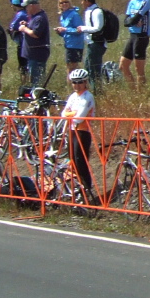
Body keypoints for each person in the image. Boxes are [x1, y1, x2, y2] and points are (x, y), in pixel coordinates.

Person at [62, 69, 96, 201]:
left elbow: (79, 118)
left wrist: (70, 114)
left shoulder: (88, 97)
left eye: (80, 82)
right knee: (71, 160)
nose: (77, 85)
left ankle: (87, 189)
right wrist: (71, 114)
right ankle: (75, 188)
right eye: (74, 82)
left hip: (83, 131)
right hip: (71, 130)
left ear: (85, 82)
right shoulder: (73, 96)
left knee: (80, 161)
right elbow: (63, 114)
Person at [120, 0, 150, 88]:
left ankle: (141, 94)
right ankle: (134, 91)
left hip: (142, 36)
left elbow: (134, 18)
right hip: (132, 35)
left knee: (139, 69)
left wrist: (133, 20)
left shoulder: (146, 1)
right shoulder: (132, 1)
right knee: (123, 65)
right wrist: (133, 20)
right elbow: (126, 21)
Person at [76, 0, 107, 90]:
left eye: (82, 0)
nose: (81, 3)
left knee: (94, 71)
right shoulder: (89, 11)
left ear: (87, 0)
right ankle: (91, 91)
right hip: (90, 44)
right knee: (88, 69)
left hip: (96, 44)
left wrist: (83, 28)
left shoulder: (97, 12)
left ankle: (97, 92)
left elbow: (98, 28)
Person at [18, 0, 50, 87]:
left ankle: (37, 97)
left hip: (37, 54)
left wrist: (24, 29)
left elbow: (36, 34)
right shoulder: (35, 17)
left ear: (32, 6)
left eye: (26, 7)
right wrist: (27, 25)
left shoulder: (40, 18)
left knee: (37, 81)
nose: (25, 10)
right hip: (32, 55)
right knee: (33, 79)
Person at [54, 0, 84, 77]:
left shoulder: (74, 15)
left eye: (66, 2)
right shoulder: (62, 16)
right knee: (72, 68)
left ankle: (74, 87)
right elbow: (66, 33)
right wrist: (60, 32)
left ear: (69, 3)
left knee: (72, 69)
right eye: (61, 3)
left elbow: (79, 30)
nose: (64, 4)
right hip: (68, 44)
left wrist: (66, 30)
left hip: (76, 45)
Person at [8, 0, 29, 85]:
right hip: (27, 43)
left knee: (23, 67)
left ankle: (24, 85)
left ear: (15, 5)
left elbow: (12, 28)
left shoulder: (20, 15)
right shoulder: (26, 13)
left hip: (22, 44)